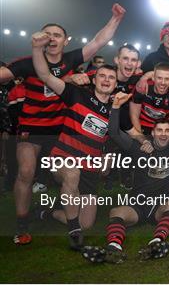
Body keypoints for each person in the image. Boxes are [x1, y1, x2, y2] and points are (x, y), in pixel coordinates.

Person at [2, 3, 125, 245]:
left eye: (56, 34)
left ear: (65, 40)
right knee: (27, 172)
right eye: (46, 34)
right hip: (34, 128)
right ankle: (23, 223)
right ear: (39, 38)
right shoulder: (27, 63)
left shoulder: (70, 59)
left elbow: (98, 42)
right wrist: (59, 73)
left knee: (76, 187)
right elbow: (43, 74)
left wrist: (116, 18)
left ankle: (58, 208)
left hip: (63, 128)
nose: (51, 38)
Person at [30, 31, 118, 249]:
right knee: (72, 173)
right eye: (102, 76)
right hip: (63, 158)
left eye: (111, 78)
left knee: (86, 222)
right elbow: (45, 75)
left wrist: (108, 157)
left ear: (116, 84)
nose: (106, 80)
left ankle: (49, 213)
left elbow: (113, 137)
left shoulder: (115, 109)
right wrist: (36, 48)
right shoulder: (76, 93)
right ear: (94, 79)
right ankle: (73, 231)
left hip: (91, 168)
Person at [81, 92, 169, 263]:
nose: (163, 134)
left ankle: (156, 243)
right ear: (152, 133)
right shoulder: (139, 148)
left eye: (167, 131)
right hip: (139, 204)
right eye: (159, 131)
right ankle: (113, 248)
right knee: (117, 212)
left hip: (160, 205)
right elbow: (113, 133)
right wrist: (116, 107)